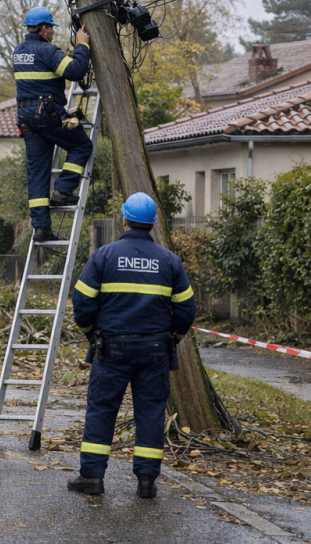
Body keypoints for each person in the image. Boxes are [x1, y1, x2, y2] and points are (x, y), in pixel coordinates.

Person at [67, 192, 197, 499]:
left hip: (111, 348)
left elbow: (82, 304)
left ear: (124, 219)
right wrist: (171, 340)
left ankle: (92, 478)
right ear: (152, 224)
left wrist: (91, 334)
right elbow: (187, 312)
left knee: (101, 409)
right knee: (151, 413)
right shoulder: (170, 261)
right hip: (155, 350)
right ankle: (147, 482)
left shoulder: (103, 256)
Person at [13, 7, 92, 243]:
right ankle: (64, 190)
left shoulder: (19, 51)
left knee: (37, 173)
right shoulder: (46, 50)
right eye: (51, 28)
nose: (53, 33)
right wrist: (82, 46)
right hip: (50, 114)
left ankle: (41, 228)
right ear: (44, 28)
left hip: (26, 118)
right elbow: (76, 71)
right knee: (82, 145)